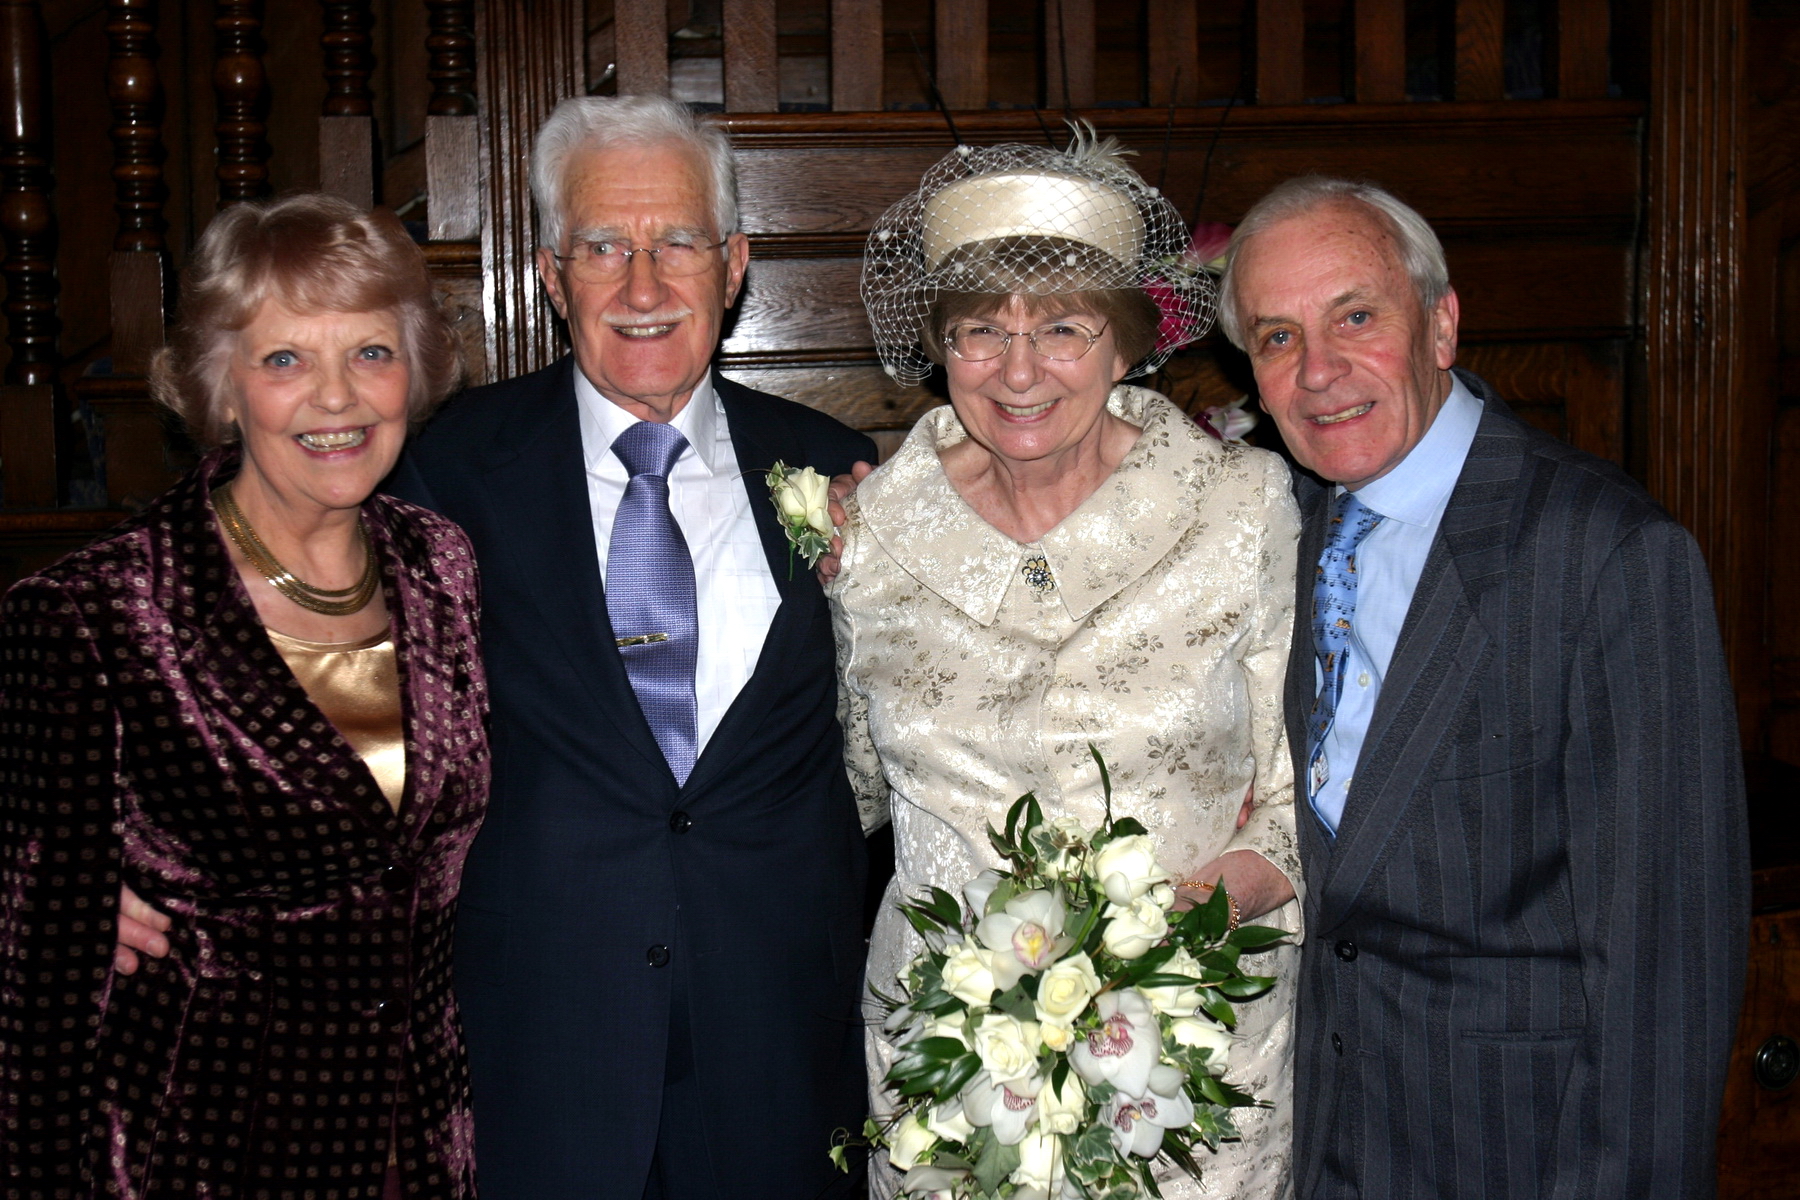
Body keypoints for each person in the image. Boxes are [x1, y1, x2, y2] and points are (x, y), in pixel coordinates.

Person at [1217, 176, 1750, 1199]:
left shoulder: (1605, 553)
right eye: (1279, 338)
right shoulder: (1284, 526)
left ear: (1442, 324)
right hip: (1327, 1137)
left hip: (1521, 1150)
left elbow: (1666, 969)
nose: (1319, 371)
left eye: (1356, 317)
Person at [384, 94, 875, 1200]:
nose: (642, 288)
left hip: (780, 1062)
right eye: (604, 246)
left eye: (679, 244)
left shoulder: (839, 469)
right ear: (551, 277)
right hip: (540, 1060)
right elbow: (323, 692)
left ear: (734, 266)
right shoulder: (443, 472)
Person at [833, 132, 1304, 1199]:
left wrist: (1188, 922)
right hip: (951, 1080)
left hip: (1186, 1074)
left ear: (1126, 341)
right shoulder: (871, 534)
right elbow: (841, 791)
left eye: (1061, 328)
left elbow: (1303, 793)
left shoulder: (1239, 509)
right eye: (980, 331)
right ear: (939, 344)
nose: (1018, 370)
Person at [0, 194, 484, 1198]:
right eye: (284, 359)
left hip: (419, 1148)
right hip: (203, 1154)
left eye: (371, 352)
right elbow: (38, 1007)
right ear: (222, 388)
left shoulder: (440, 566)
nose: (337, 397)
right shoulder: (100, 613)